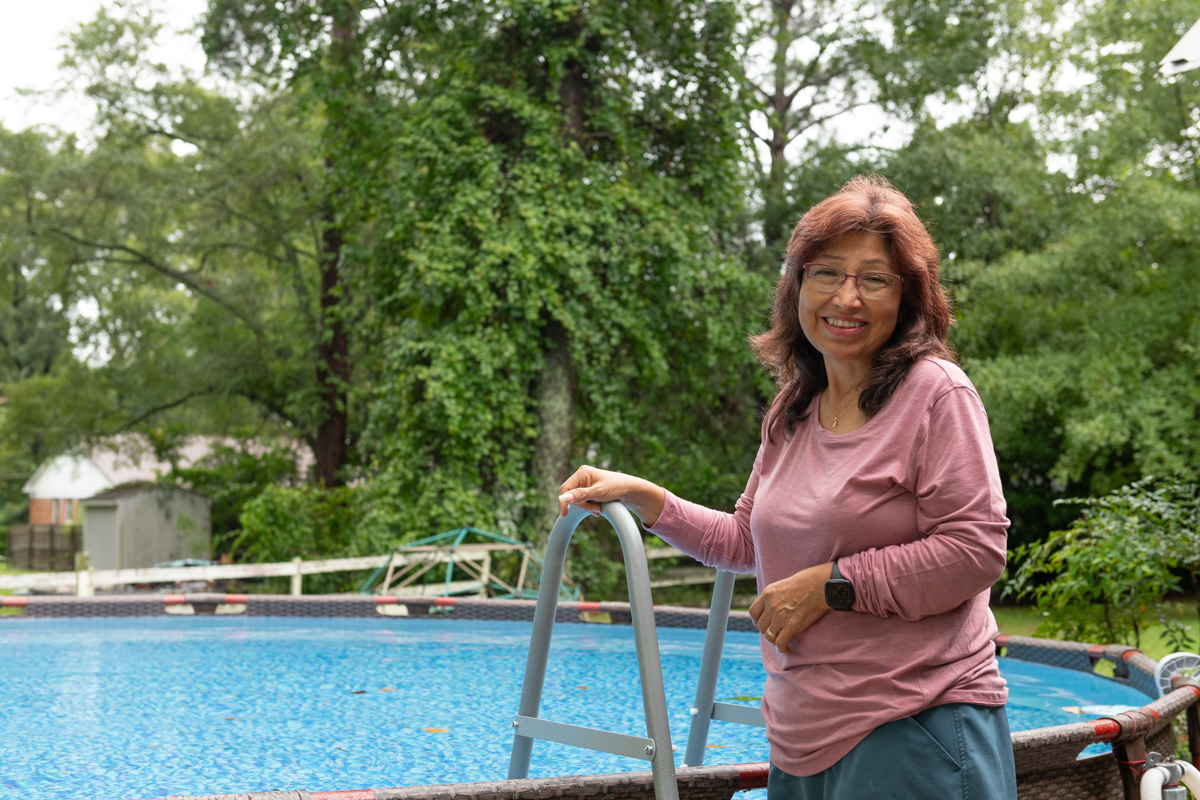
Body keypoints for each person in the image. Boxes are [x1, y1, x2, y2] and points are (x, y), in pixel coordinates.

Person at [556, 175, 1018, 799]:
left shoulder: (937, 394)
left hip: (914, 726)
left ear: (909, 297)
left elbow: (975, 550)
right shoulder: (794, 409)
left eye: (874, 278)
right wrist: (647, 499)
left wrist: (834, 586)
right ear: (797, 284)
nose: (846, 297)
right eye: (826, 272)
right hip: (801, 736)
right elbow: (748, 541)